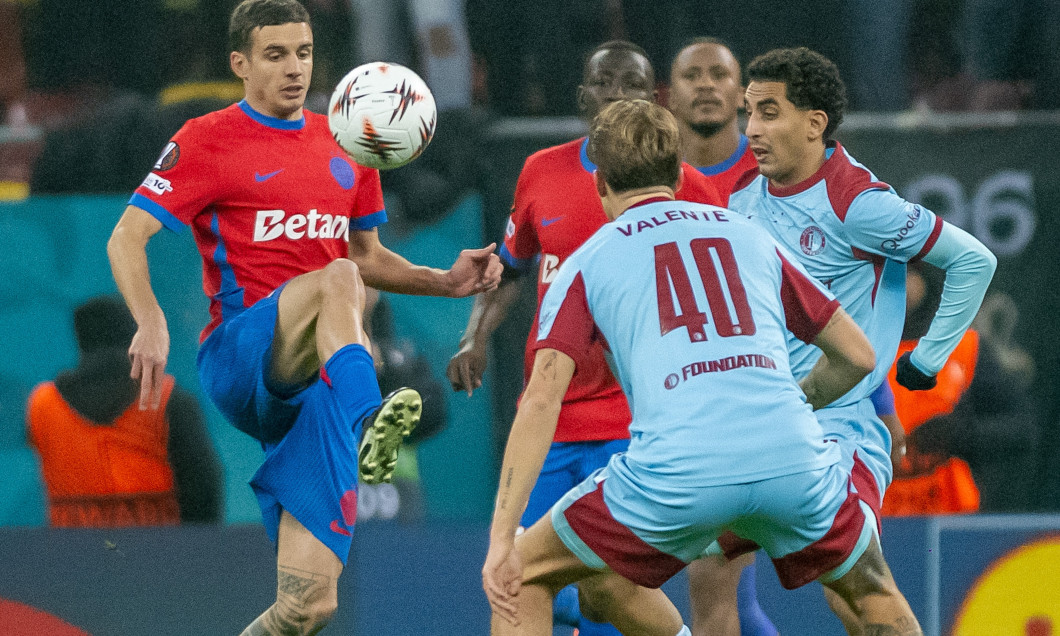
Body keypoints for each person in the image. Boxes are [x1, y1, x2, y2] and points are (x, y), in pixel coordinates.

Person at [106, 1, 501, 634]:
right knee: (336, 277)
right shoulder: (206, 138)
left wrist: (444, 281)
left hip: (316, 392)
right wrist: (150, 319)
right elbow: (126, 238)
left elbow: (369, 255)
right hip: (243, 354)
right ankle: (369, 415)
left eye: (305, 52)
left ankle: (357, 416)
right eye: (276, 54)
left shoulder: (347, 140)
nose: (295, 68)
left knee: (306, 608)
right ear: (239, 63)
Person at [482, 98, 923, 636]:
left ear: (600, 187)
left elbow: (542, 400)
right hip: (791, 460)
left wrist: (503, 538)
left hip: (679, 476)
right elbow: (858, 356)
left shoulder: (587, 264)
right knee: (871, 593)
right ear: (677, 174)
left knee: (523, 575)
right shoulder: (750, 235)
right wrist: (792, 403)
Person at [714, 46, 995, 633]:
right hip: (757, 423)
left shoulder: (858, 202)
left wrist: (928, 358)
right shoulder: (742, 192)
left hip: (836, 429)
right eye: (749, 113)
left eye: (769, 112)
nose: (752, 129)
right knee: (696, 565)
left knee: (856, 590)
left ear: (815, 123)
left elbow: (974, 261)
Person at [448, 40, 722, 636]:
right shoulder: (540, 172)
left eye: (632, 84)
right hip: (547, 420)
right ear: (583, 97)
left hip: (631, 423)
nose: (618, 94)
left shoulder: (693, 188)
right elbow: (513, 271)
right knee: (528, 584)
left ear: (655, 100)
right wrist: (473, 338)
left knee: (606, 590)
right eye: (606, 83)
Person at [668, 39, 910, 636]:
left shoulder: (792, 176)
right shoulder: (663, 184)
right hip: (732, 413)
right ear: (667, 96)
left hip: (821, 412)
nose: (705, 86)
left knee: (850, 589)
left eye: (717, 74)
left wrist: (879, 403)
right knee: (709, 582)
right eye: (690, 75)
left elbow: (841, 298)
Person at [27, 295, 221, 527]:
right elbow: (204, 491)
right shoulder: (168, 399)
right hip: (159, 555)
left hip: (72, 557)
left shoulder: (43, 404)